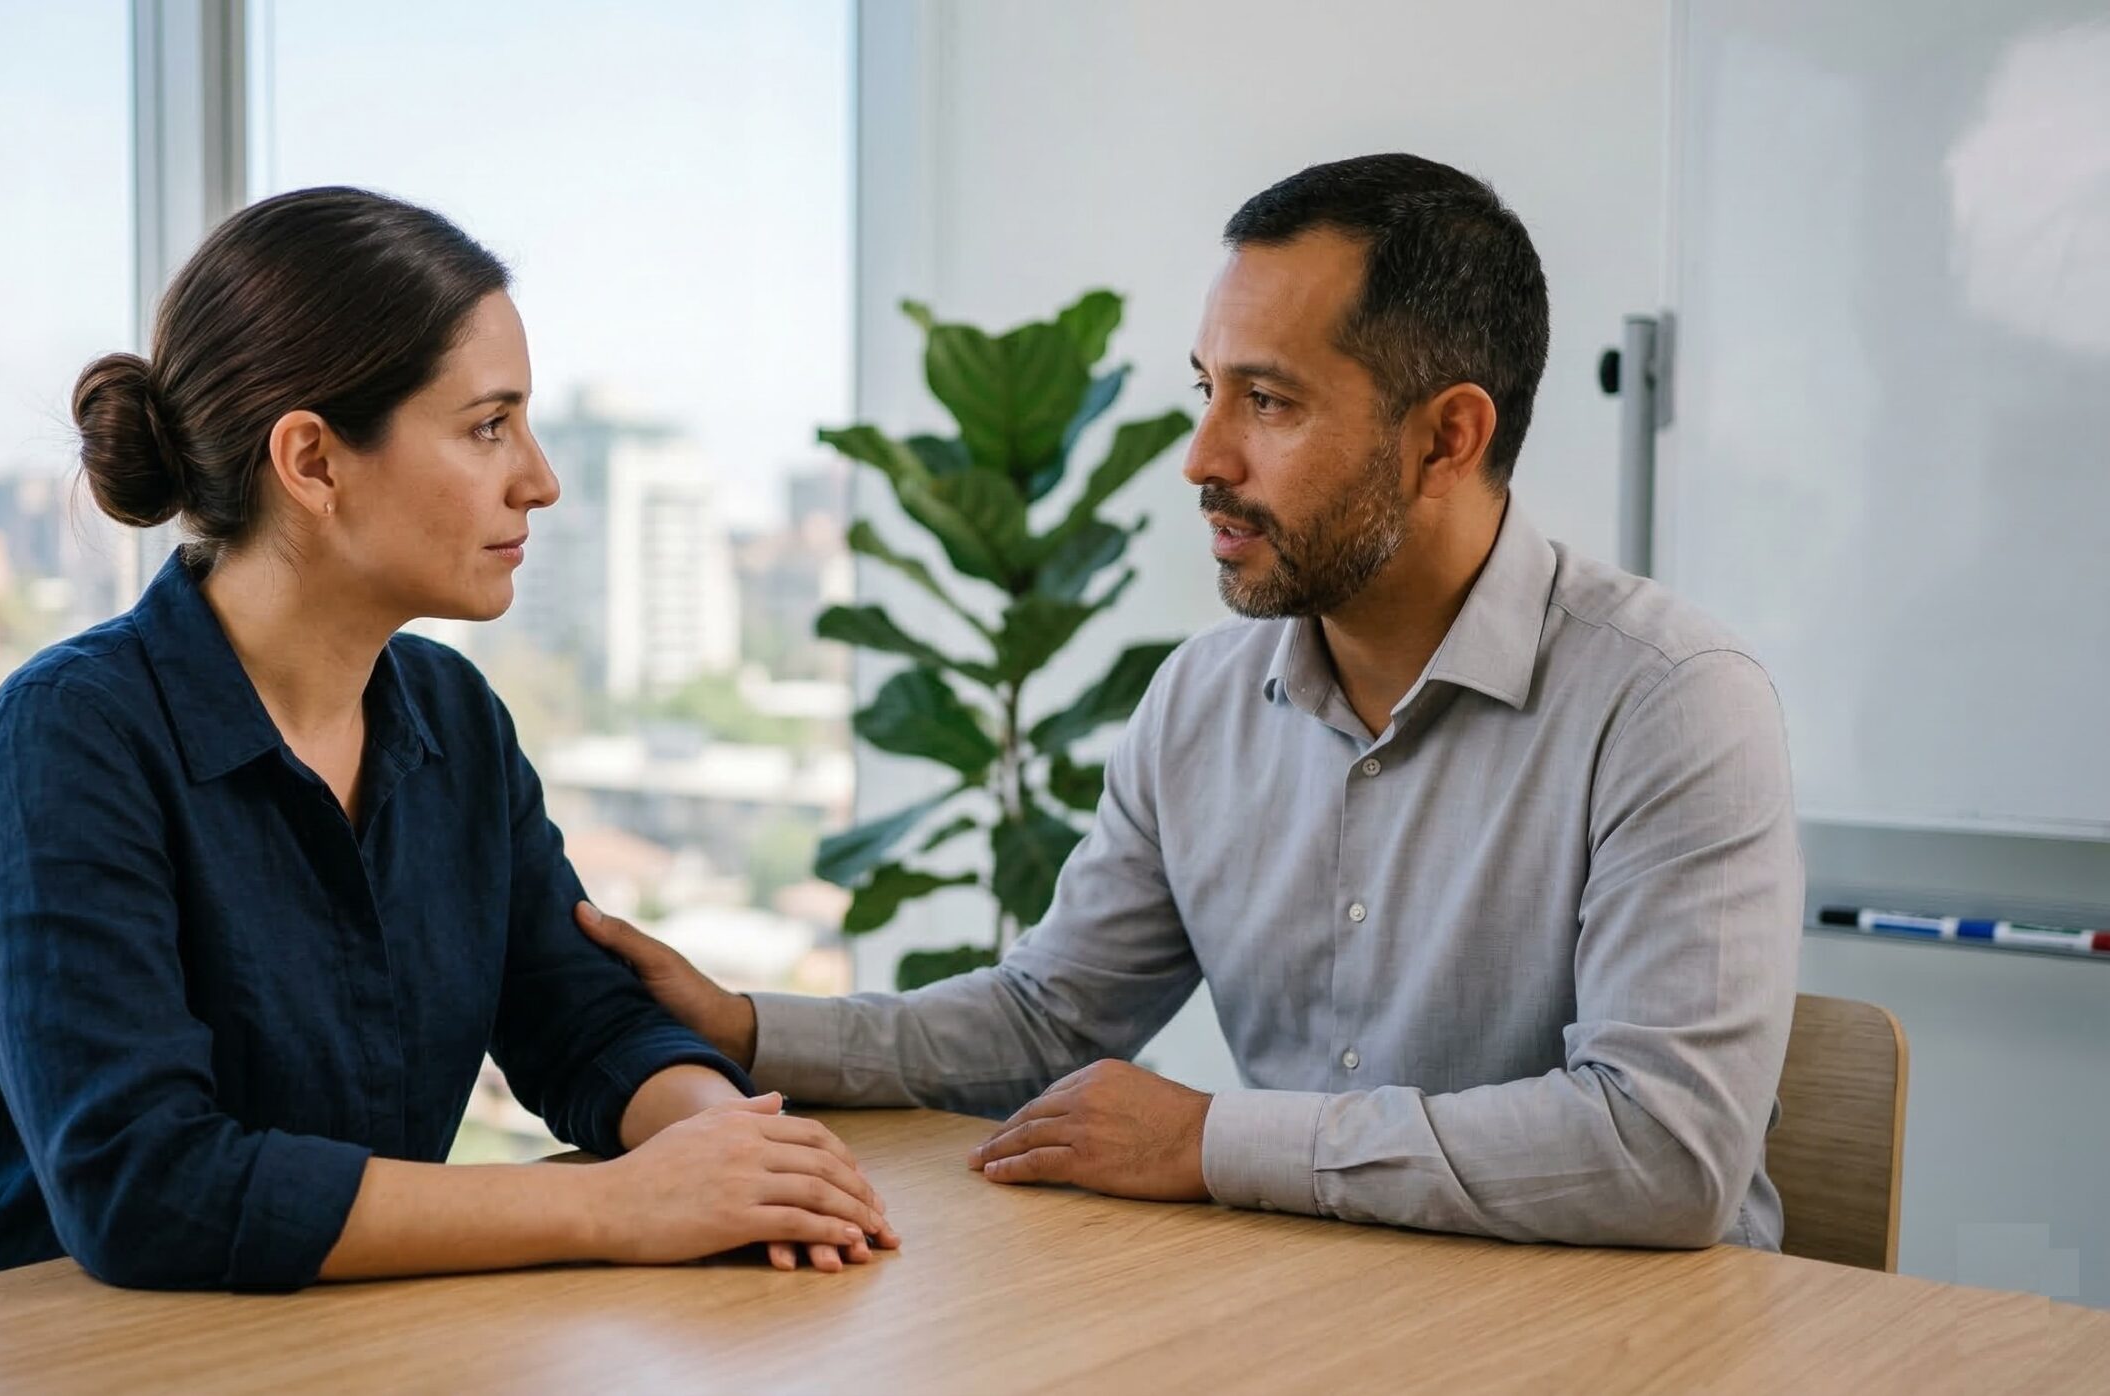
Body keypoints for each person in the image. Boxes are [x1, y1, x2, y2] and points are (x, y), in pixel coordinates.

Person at [582, 153, 1803, 1250]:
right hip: (1322, 1315)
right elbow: (1045, 1019)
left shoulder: (1671, 703)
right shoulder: (1200, 702)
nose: (1202, 458)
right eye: (1205, 388)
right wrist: (746, 1029)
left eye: (1267, 402)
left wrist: (1211, 1140)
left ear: (1446, 439)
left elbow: (1662, 1151)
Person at [0, 187, 899, 1290]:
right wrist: (619, 1203)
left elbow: (582, 1021)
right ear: (313, 462)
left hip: (344, 1332)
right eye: (488, 427)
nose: (540, 480)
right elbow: (146, 1186)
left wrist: (736, 1149)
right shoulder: (67, 735)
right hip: (64, 1343)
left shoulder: (453, 718)